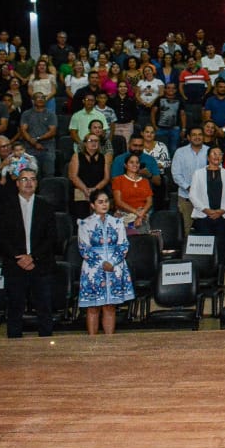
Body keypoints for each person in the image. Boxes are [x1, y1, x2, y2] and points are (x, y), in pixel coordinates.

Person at [0, 168, 59, 338]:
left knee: (44, 309)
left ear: (37, 183)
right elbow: (2, 237)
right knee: (15, 310)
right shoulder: (6, 206)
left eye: (32, 179)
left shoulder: (46, 206)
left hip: (41, 265)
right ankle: (14, 351)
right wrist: (20, 257)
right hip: (15, 265)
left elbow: (51, 237)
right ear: (17, 183)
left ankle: (47, 348)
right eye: (24, 179)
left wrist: (33, 257)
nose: (28, 182)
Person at [77, 189, 134, 336]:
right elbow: (84, 248)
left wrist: (113, 262)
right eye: (100, 202)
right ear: (92, 205)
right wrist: (102, 264)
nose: (104, 205)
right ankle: (93, 343)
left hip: (115, 268)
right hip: (93, 269)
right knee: (93, 307)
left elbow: (123, 245)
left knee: (110, 306)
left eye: (106, 201)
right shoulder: (85, 224)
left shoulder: (117, 222)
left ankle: (109, 342)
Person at [189, 146, 225, 256]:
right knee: (204, 252)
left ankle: (220, 271)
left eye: (220, 154)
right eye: (214, 153)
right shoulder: (198, 173)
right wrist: (206, 210)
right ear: (208, 157)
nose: (217, 156)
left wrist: (222, 211)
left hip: (222, 217)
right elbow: (193, 195)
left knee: (221, 249)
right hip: (203, 216)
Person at [67, 132, 110, 220]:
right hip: (80, 190)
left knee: (101, 205)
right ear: (85, 143)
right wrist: (85, 190)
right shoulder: (77, 156)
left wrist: (95, 189)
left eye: (96, 141)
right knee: (81, 212)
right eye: (90, 141)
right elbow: (73, 176)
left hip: (98, 190)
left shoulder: (104, 157)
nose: (94, 143)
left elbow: (106, 178)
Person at [111, 152, 154, 232]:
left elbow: (149, 201)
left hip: (142, 214)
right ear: (125, 165)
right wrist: (136, 212)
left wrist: (140, 215)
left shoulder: (145, 181)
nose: (135, 164)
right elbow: (118, 202)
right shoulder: (118, 180)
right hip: (124, 215)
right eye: (131, 162)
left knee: (141, 226)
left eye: (137, 162)